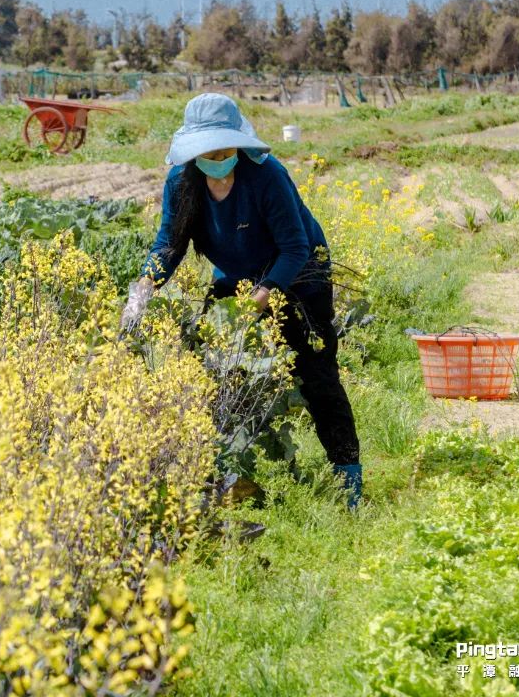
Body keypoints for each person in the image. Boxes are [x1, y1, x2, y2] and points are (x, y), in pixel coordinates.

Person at [120, 92, 362, 510]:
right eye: (209, 150)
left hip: (301, 274)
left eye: (225, 147)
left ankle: (348, 482)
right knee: (212, 365)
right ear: (194, 150)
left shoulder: (266, 176)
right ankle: (222, 475)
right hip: (237, 277)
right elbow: (168, 245)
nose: (219, 156)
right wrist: (142, 289)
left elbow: (294, 247)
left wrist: (263, 298)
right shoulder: (181, 182)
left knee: (316, 372)